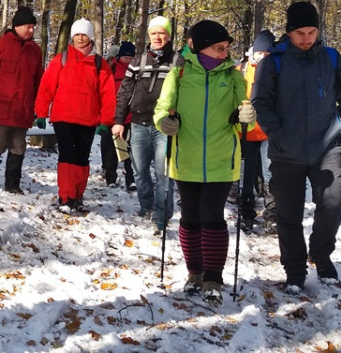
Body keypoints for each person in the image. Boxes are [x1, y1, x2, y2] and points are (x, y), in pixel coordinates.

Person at [251, 1, 341, 293]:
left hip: (326, 146)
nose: (306, 38)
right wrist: (278, 133)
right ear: (289, 32)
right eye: (299, 32)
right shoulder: (272, 62)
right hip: (286, 150)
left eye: (312, 32)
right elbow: (260, 102)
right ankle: (294, 269)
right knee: (288, 212)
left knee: (332, 201)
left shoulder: (330, 58)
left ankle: (321, 254)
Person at [153, 20, 254, 306]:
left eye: (226, 48)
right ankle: (194, 273)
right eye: (219, 48)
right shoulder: (180, 73)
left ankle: (213, 277)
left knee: (212, 216)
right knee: (190, 218)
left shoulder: (233, 76)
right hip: (186, 156)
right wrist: (164, 122)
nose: (225, 53)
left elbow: (244, 109)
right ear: (199, 47)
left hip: (222, 159)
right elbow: (162, 107)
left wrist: (246, 116)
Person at [34, 18, 116, 213]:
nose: (80, 38)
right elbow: (46, 87)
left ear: (90, 37)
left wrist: (106, 120)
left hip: (88, 119)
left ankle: (77, 196)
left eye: (84, 34)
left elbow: (108, 94)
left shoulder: (99, 64)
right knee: (67, 157)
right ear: (72, 36)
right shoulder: (61, 59)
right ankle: (65, 197)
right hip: (64, 117)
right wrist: (41, 112)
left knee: (81, 159)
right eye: (77, 34)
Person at [112, 16, 184, 233]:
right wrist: (118, 121)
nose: (158, 37)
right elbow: (124, 91)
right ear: (149, 36)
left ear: (169, 35)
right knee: (140, 171)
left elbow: (185, 94)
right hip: (138, 123)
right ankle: (146, 206)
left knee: (164, 174)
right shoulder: (138, 61)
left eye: (162, 33)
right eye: (154, 33)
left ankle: (161, 216)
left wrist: (177, 118)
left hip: (164, 126)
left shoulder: (179, 62)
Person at [0, 7, 44, 194]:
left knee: (19, 147)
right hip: (1, 107)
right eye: (27, 26)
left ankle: (12, 184)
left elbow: (40, 80)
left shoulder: (35, 51)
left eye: (33, 27)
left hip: (23, 109)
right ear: (16, 26)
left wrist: (40, 104)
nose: (31, 30)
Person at [238, 30, 276, 233]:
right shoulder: (241, 70)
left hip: (269, 131)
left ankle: (272, 214)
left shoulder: (278, 69)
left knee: (270, 174)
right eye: (261, 53)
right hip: (246, 131)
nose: (263, 57)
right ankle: (247, 213)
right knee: (246, 175)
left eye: (268, 54)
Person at [100, 41, 136, 190]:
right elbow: (104, 91)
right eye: (125, 58)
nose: (127, 61)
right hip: (112, 115)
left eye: (130, 58)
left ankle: (131, 178)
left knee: (129, 149)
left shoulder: (136, 70)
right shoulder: (111, 69)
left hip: (131, 116)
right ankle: (110, 176)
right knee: (110, 149)